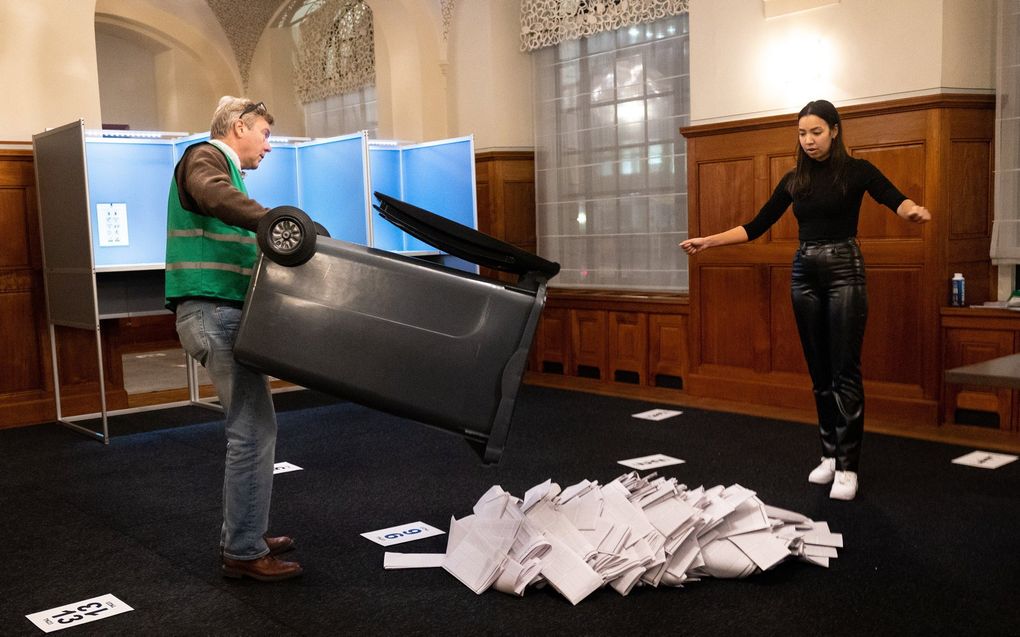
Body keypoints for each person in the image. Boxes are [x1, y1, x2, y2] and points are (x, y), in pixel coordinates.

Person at [680, 99, 930, 501]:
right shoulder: (794, 179)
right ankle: (829, 455)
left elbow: (892, 196)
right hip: (805, 273)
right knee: (820, 374)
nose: (809, 140)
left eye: (816, 132)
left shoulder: (857, 171)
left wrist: (911, 210)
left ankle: (848, 467)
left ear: (834, 130)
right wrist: (709, 241)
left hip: (845, 269)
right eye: (802, 133)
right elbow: (757, 224)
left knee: (844, 370)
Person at [165, 96, 302, 580]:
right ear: (238, 126)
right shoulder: (205, 157)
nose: (268, 146)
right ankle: (243, 552)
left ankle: (247, 532)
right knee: (252, 433)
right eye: (264, 133)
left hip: (223, 313)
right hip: (213, 312)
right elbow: (211, 194)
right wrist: (275, 222)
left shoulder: (230, 174)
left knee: (256, 431)